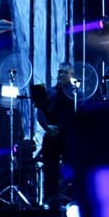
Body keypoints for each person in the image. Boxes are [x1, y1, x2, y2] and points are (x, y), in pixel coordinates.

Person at [31, 62, 76, 207]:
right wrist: (47, 127)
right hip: (52, 135)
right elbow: (40, 112)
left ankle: (71, 201)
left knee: (71, 169)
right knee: (50, 172)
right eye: (60, 72)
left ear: (71, 75)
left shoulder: (76, 94)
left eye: (65, 72)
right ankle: (51, 203)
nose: (61, 74)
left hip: (68, 137)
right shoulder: (49, 92)